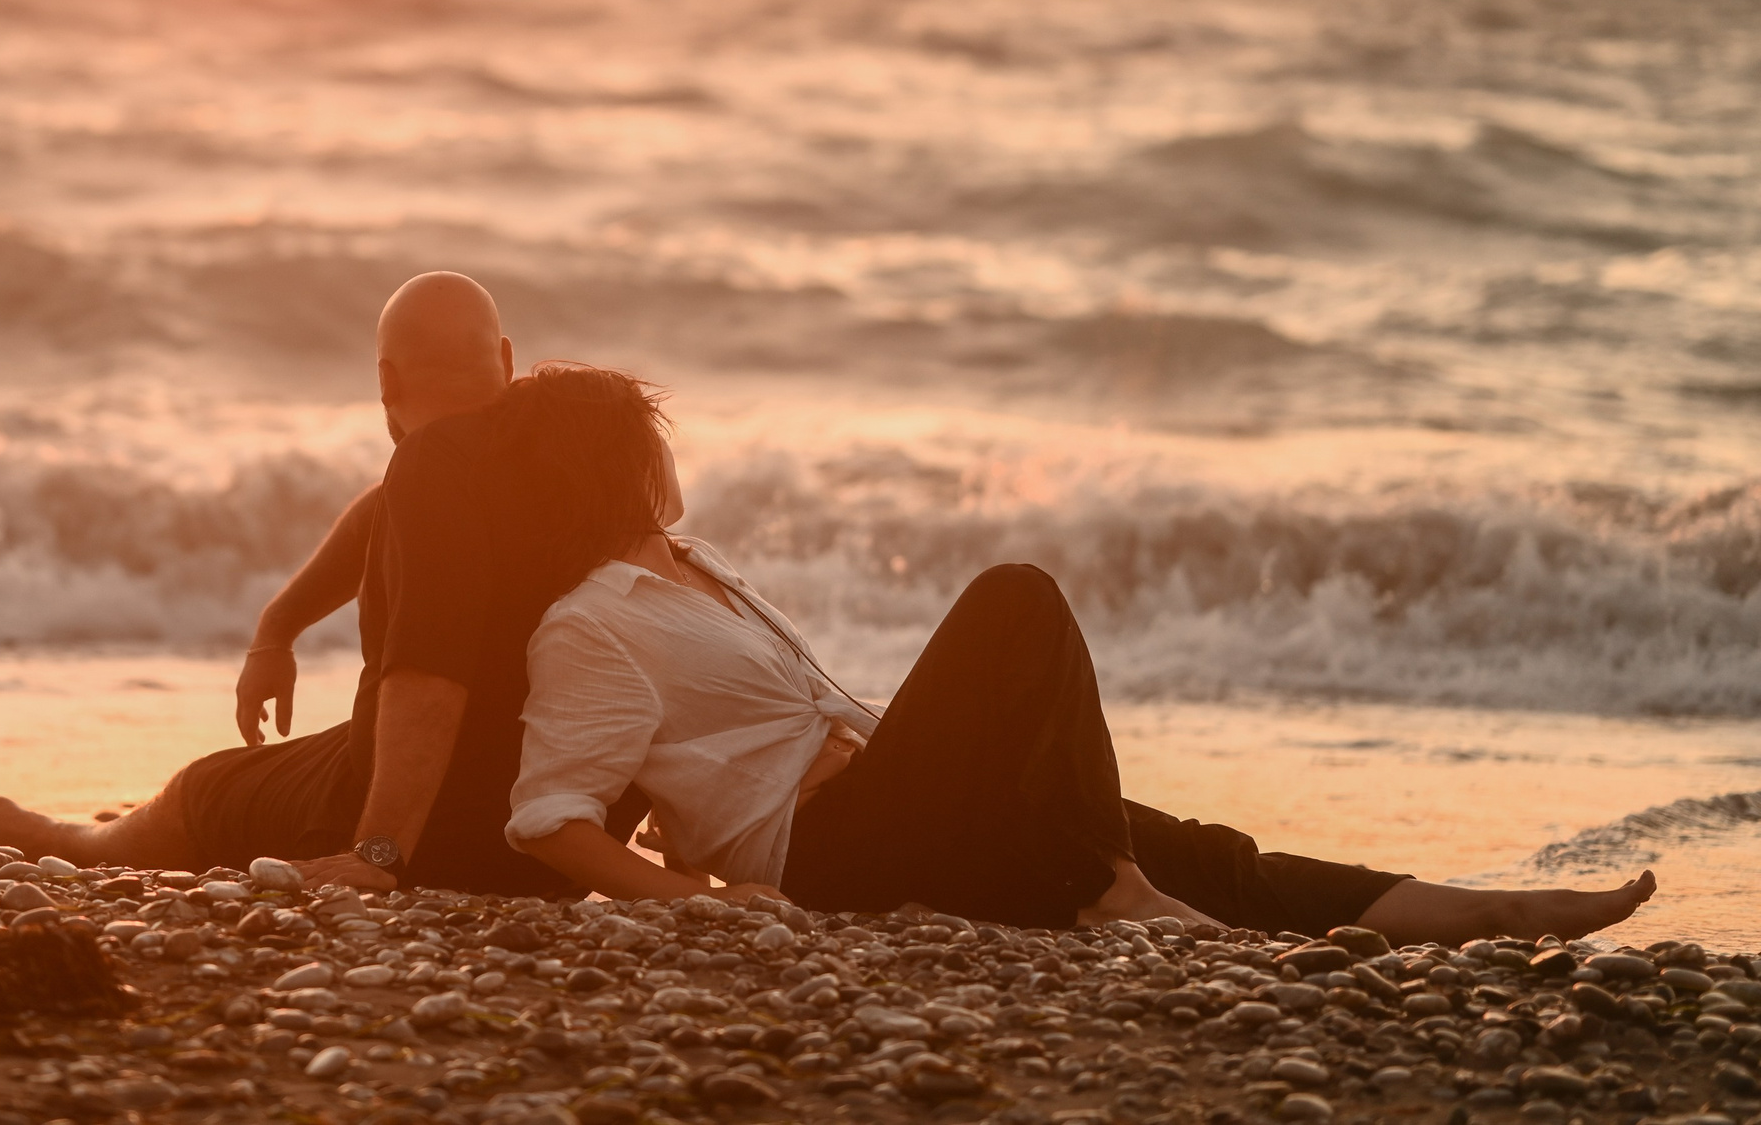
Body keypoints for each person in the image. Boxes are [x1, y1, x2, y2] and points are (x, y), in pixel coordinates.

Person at [502, 363, 1660, 943]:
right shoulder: (590, 619)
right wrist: (706, 899)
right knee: (1017, 597)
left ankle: (1497, 910)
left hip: (889, 800)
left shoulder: (693, 562)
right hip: (833, 849)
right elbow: (551, 813)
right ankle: (1114, 891)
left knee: (1208, 851)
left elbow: (726, 731)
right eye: (650, 437)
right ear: (620, 461)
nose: (668, 451)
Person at [0, 272, 642, 895]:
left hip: (450, 843)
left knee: (206, 787)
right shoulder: (566, 449)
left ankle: (67, 840)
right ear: (507, 358)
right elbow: (387, 512)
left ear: (386, 381)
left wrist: (379, 852)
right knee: (329, 746)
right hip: (569, 839)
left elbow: (431, 678)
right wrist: (277, 627)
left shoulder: (432, 469)